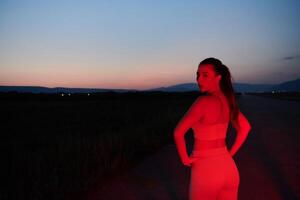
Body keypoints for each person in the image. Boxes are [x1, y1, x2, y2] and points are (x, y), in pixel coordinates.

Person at [173, 57, 251, 200]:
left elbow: (178, 133)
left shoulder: (203, 101)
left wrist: (185, 159)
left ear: (218, 77)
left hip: (206, 170)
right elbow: (246, 127)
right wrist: (229, 154)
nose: (199, 80)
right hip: (229, 169)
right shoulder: (229, 101)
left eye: (205, 75)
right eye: (197, 75)